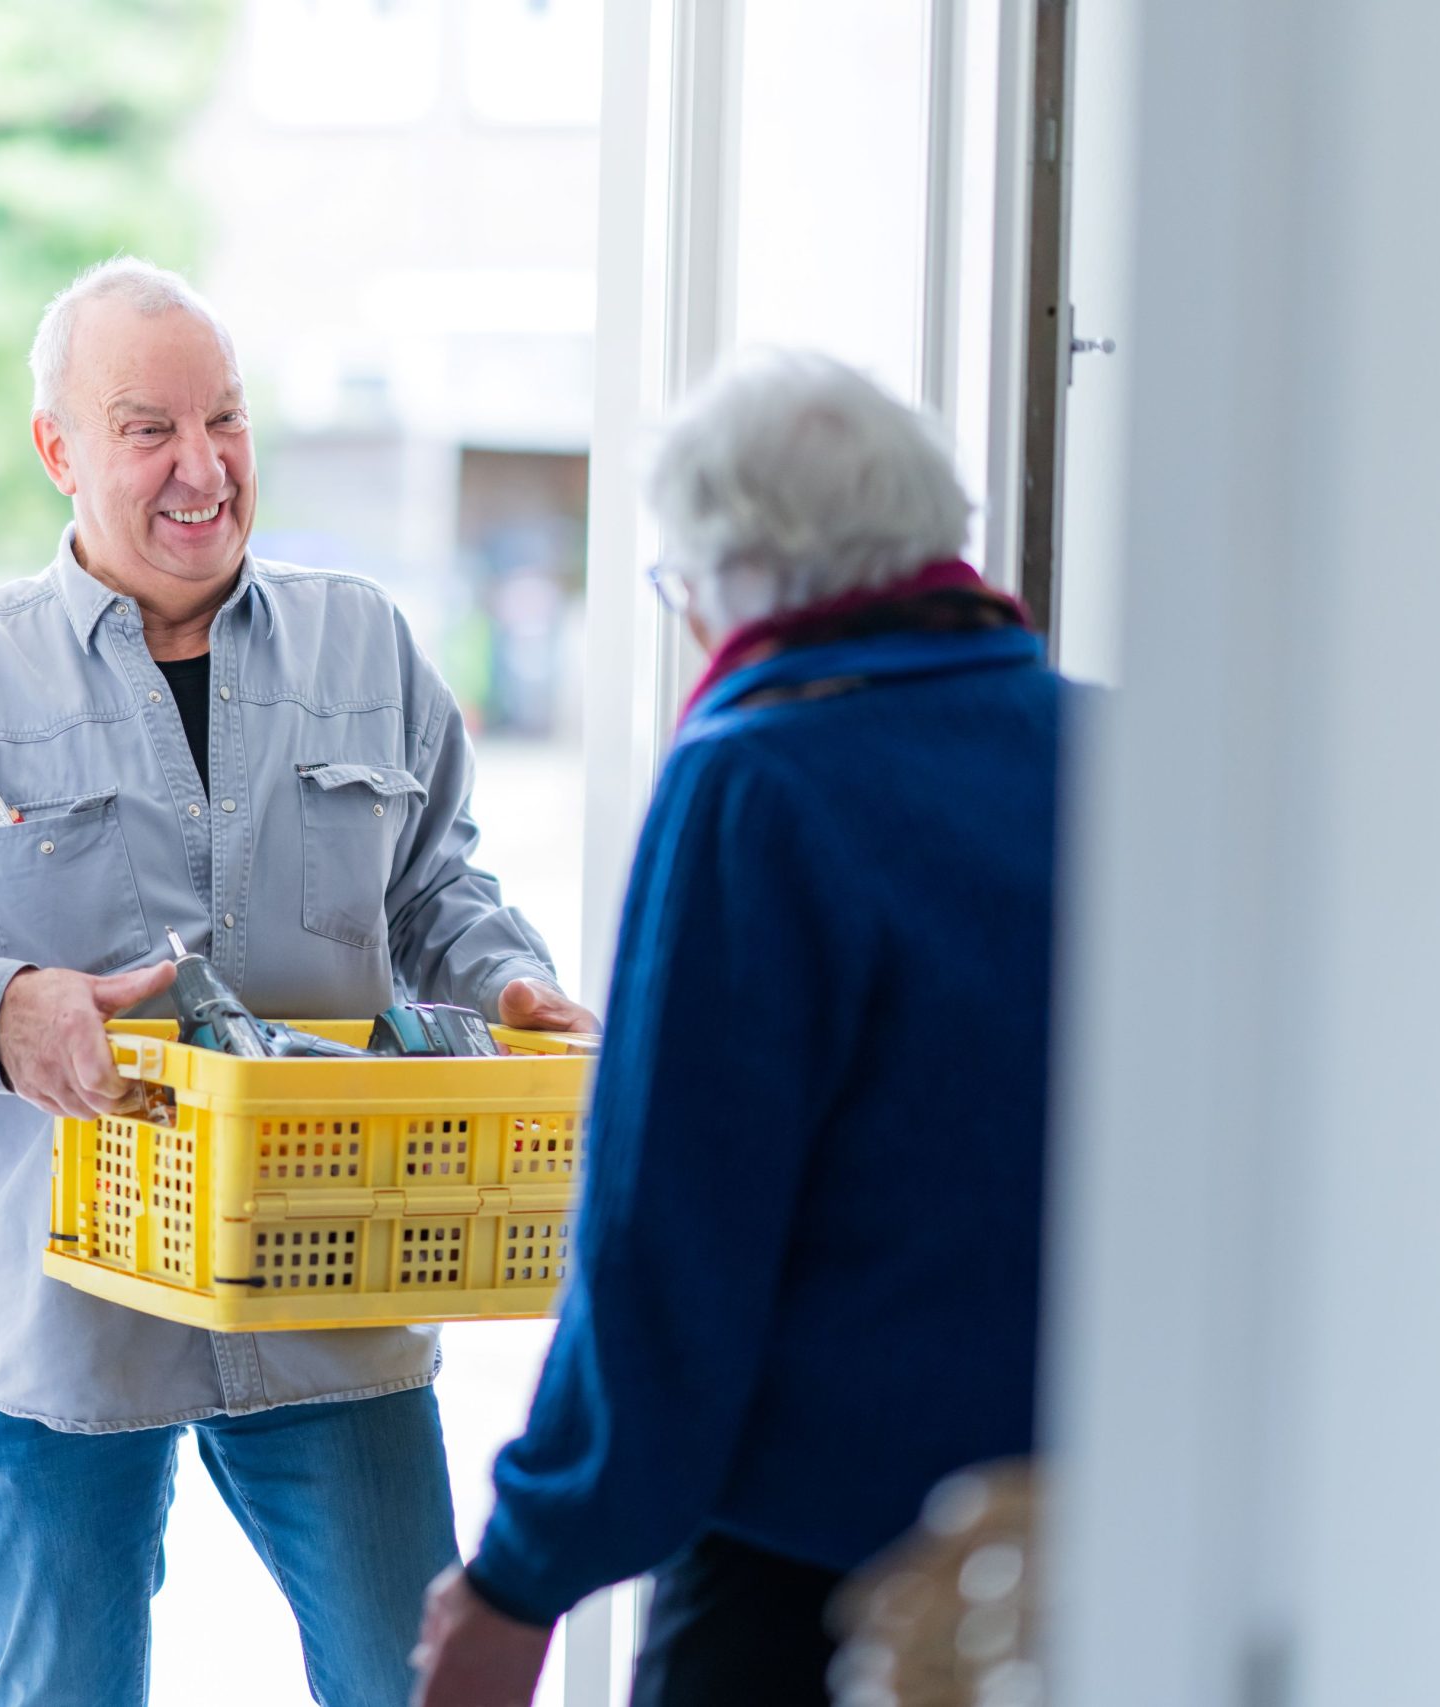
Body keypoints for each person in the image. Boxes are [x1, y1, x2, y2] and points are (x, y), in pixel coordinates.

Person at [0, 257, 599, 1707]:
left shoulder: (363, 640)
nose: (201, 467)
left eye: (223, 419)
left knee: (413, 1680)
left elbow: (438, 891)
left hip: (330, 1269)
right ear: (56, 450)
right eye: (147, 428)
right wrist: (8, 1007)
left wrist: (511, 988)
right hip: (60, 1313)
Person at [408, 350, 1066, 1707]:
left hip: (817, 1581)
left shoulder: (757, 783)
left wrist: (519, 1578)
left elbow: (668, 1249)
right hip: (1075, 1558)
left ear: (738, 575)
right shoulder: (1118, 748)